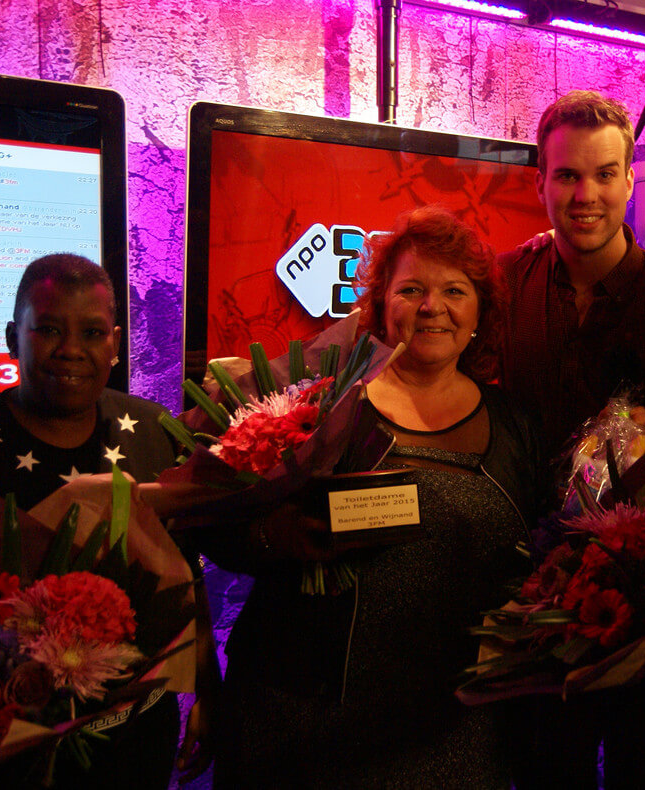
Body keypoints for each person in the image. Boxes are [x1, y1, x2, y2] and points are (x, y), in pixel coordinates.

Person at [206, 206, 541, 788]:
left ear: (481, 312)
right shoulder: (317, 402)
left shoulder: (516, 425)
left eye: (454, 291)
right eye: (411, 289)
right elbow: (214, 520)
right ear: (381, 307)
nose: (432, 307)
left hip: (454, 732)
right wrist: (276, 536)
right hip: (304, 725)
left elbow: (536, 557)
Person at [0, 253, 211, 788]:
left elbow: (187, 577)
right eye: (48, 329)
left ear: (115, 345)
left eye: (93, 332)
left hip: (131, 744)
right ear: (12, 337)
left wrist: (207, 691)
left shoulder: (153, 431)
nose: (71, 349)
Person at [497, 89, 645, 789]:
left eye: (603, 174)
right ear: (540, 183)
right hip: (528, 602)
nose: (584, 193)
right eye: (566, 175)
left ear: (631, 180)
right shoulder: (502, 286)